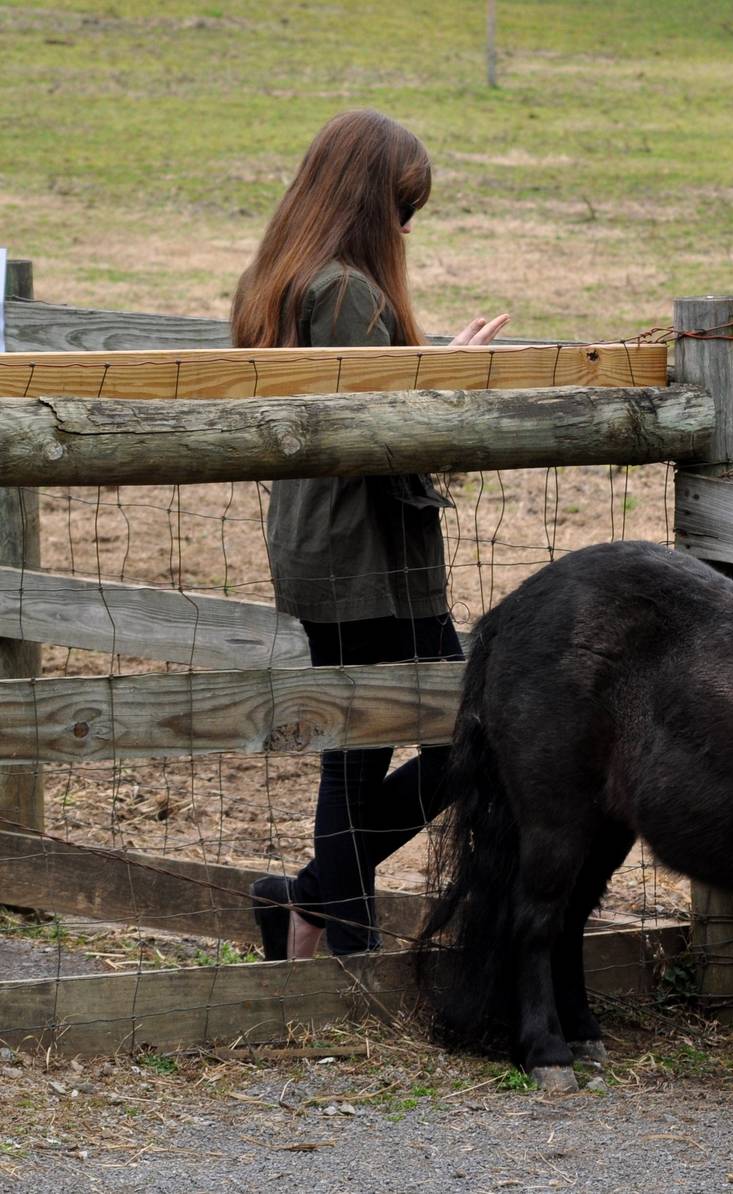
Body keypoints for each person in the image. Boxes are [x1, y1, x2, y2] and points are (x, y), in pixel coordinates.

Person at [233, 109, 510, 959]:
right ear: (365, 200)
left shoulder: (280, 277)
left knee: (356, 745)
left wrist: (429, 368)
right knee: (475, 734)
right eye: (401, 207)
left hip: (320, 546)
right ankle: (312, 899)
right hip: (368, 557)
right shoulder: (347, 289)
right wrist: (452, 388)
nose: (406, 227)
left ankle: (324, 933)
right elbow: (370, 436)